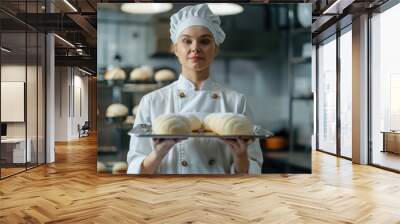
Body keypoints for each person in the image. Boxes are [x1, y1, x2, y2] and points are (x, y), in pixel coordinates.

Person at [127, 4, 263, 174]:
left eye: (205, 41)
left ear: (215, 48)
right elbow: (135, 170)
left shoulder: (236, 102)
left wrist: (241, 157)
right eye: (186, 41)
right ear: (175, 48)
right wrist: (158, 153)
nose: (195, 48)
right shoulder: (152, 101)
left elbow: (254, 169)